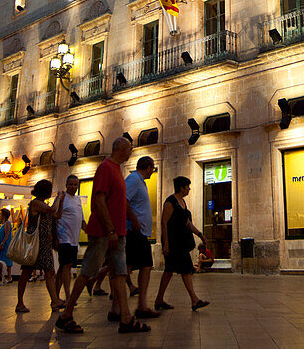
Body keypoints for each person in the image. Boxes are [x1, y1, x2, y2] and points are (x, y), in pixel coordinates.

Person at [55, 137, 149, 335]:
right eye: (130, 148)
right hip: (104, 233)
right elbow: (98, 200)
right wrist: (110, 230)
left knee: (120, 273)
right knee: (88, 271)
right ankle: (66, 315)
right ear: (121, 149)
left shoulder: (117, 170)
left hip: (118, 233)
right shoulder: (105, 168)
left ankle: (125, 318)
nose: (131, 152)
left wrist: (129, 221)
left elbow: (120, 201)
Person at [154, 176, 209, 311]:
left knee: (175, 270)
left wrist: (200, 234)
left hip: (181, 244)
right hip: (173, 243)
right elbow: (164, 222)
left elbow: (187, 223)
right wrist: (165, 244)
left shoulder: (183, 203)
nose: (189, 189)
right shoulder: (170, 202)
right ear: (181, 187)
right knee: (178, 270)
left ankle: (161, 299)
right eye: (187, 187)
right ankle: (193, 300)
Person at [15, 179, 63, 312]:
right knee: (26, 272)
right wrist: (58, 197)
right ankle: (20, 302)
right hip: (34, 243)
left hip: (45, 243)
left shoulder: (43, 204)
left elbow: (58, 215)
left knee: (49, 271)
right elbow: (53, 209)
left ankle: (54, 301)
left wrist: (62, 201)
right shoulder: (36, 203)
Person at [125, 156, 160, 320]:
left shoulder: (140, 181)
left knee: (142, 265)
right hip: (134, 231)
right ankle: (141, 306)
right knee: (145, 265)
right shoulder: (133, 179)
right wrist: (134, 220)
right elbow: (123, 200)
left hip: (140, 232)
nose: (153, 171)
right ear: (148, 166)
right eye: (152, 168)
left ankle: (141, 304)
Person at [54, 175, 83, 302]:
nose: (73, 187)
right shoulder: (61, 197)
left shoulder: (78, 199)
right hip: (64, 237)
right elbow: (54, 215)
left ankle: (55, 296)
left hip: (74, 239)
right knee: (66, 266)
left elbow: (81, 219)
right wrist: (55, 237)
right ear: (66, 185)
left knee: (63, 268)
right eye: (71, 184)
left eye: (75, 184)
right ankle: (68, 295)